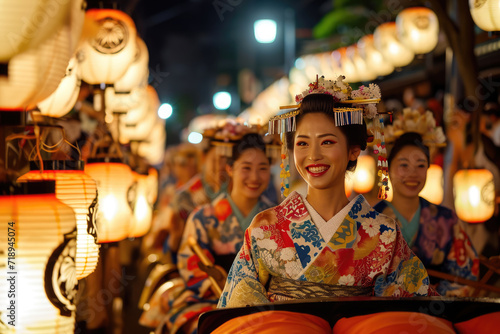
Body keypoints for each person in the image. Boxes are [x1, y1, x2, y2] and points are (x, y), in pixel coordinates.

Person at [217, 76, 436, 309]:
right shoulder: (264, 227)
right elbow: (239, 303)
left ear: (353, 150)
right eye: (302, 144)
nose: (313, 156)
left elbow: (411, 310)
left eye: (327, 142)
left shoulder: (384, 234)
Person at [160, 132, 275, 333]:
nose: (255, 177)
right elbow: (191, 264)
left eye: (263, 169)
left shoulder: (276, 218)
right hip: (213, 299)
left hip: (263, 302)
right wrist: (224, 292)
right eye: (246, 168)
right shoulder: (203, 217)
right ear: (230, 169)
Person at [373, 132, 479, 296]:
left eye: (421, 165)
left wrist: (430, 297)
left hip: (433, 311)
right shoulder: (371, 219)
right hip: (383, 311)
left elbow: (464, 273)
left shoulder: (445, 219)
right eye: (404, 165)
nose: (412, 173)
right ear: (388, 169)